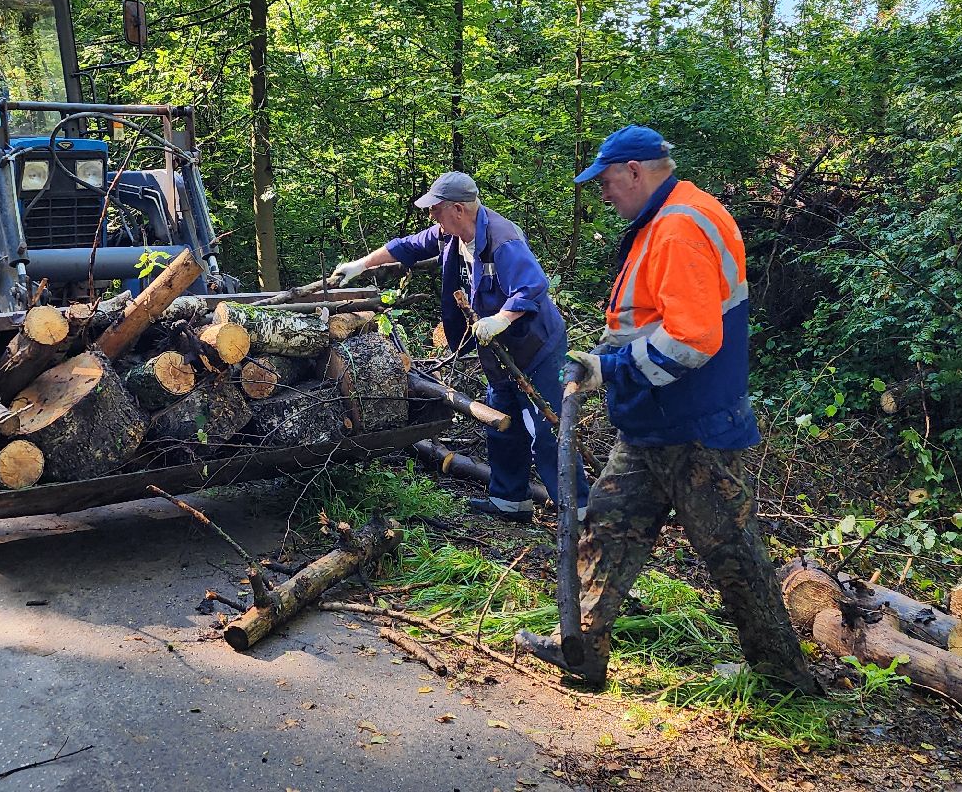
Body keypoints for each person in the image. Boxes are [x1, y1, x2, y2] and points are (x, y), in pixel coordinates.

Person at [515, 126, 819, 695]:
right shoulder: (668, 216)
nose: (603, 193)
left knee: (734, 555)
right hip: (651, 423)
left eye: (606, 181)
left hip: (692, 427)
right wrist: (604, 356)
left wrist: (612, 369)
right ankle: (580, 651)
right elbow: (648, 319)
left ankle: (786, 681)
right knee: (607, 529)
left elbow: (693, 340)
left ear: (635, 171)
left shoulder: (678, 227)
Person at [329, 171, 592, 522]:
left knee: (547, 430)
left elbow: (532, 286)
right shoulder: (450, 235)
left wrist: (501, 318)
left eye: (435, 210)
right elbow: (405, 246)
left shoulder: (503, 240)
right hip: (498, 351)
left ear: (457, 209)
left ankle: (579, 514)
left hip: (535, 347)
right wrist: (360, 265)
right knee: (503, 423)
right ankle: (510, 502)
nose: (431, 217)